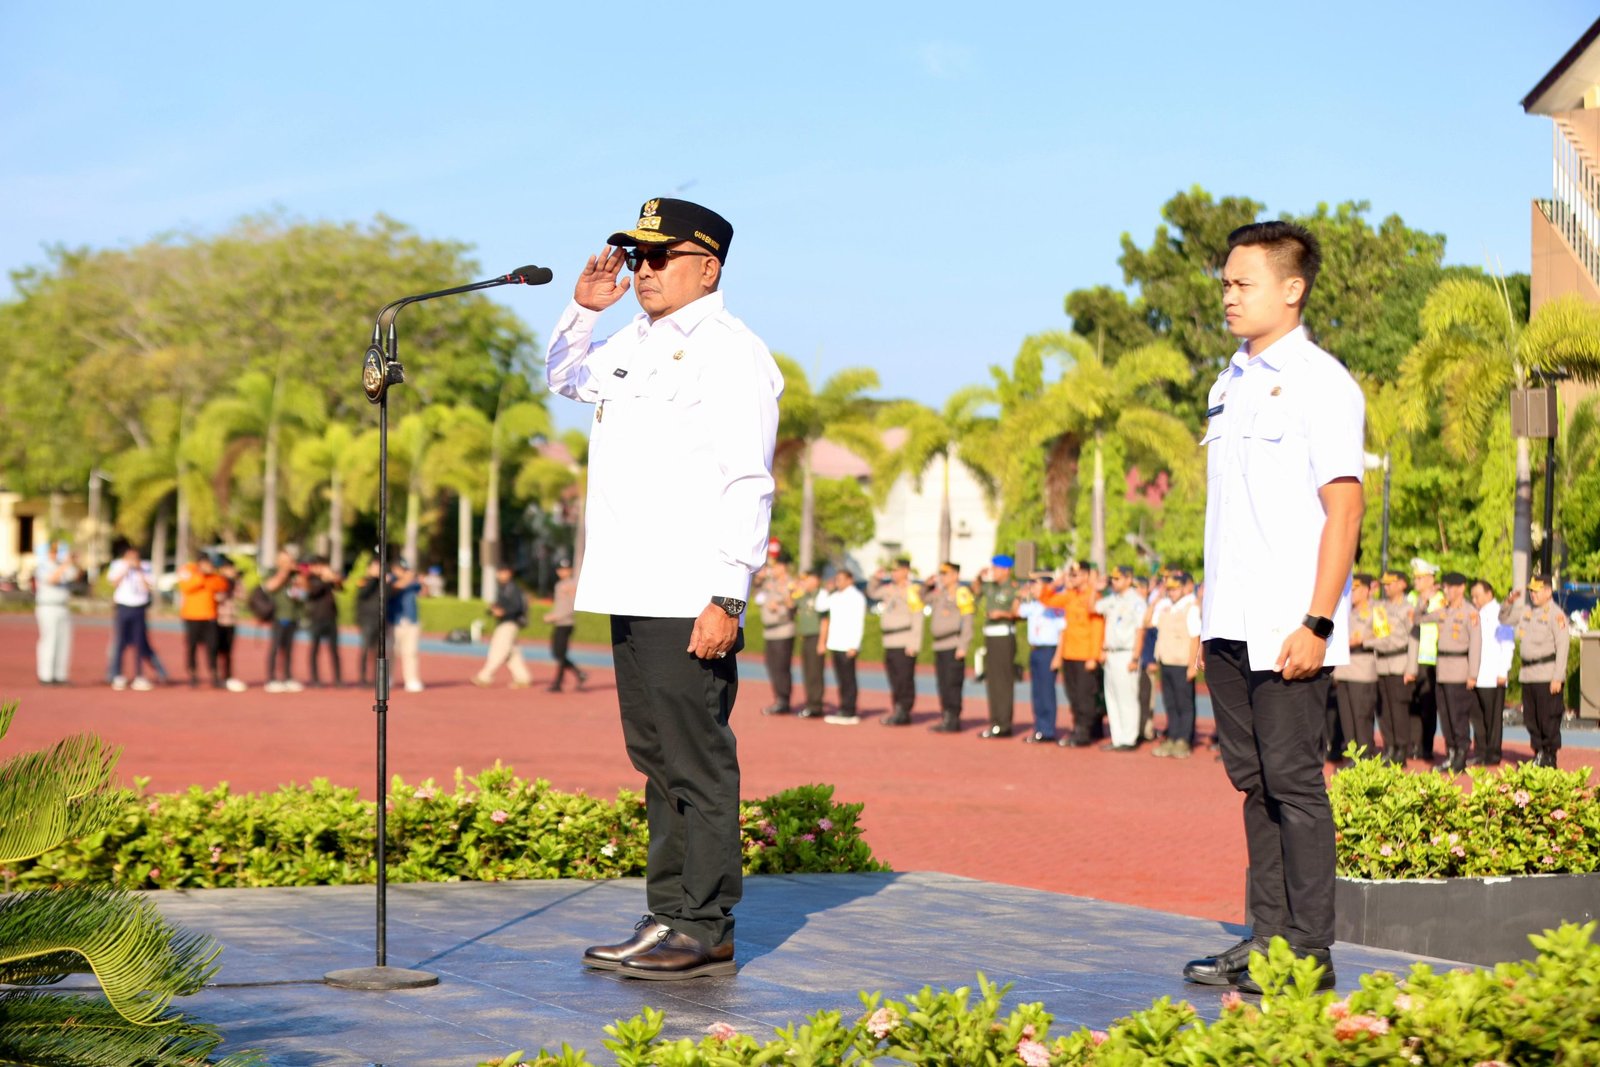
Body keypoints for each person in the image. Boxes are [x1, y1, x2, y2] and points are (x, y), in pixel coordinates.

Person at [549, 197, 781, 981]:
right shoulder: (632, 343)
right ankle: (668, 912)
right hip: (631, 580)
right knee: (655, 756)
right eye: (635, 256)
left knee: (697, 758)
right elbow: (565, 380)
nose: (641, 271)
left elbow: (749, 477)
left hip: (690, 588)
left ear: (707, 266)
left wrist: (729, 594)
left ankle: (705, 920)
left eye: (658, 257)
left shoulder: (730, 351)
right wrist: (582, 312)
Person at [1183, 221, 1364, 995]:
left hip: (1290, 626)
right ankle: (1265, 937)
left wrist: (1318, 621)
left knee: (1294, 783)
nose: (1227, 295)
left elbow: (1345, 508)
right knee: (1253, 783)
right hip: (1229, 621)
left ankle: (1309, 953)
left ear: (1291, 289)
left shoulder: (1324, 383)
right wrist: (1204, 619)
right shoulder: (1229, 382)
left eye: (1242, 282)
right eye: (1224, 282)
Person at [1413, 572, 1480, 773]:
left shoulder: (1470, 613)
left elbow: (1476, 645)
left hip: (1459, 670)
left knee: (1458, 716)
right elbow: (1418, 620)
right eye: (1445, 587)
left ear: (1461, 588)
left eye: (1451, 587)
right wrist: (1423, 601)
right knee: (1446, 716)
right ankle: (1451, 753)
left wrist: (1473, 674)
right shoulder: (1443, 611)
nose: (1447, 591)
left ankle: (1461, 754)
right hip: (1442, 670)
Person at [1501, 574, 1570, 767]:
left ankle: (1549, 755)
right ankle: (1538, 752)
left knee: (1548, 717)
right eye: (1531, 590)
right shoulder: (1527, 611)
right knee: (1531, 718)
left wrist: (1558, 677)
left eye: (1536, 590)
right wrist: (1509, 601)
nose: (1532, 594)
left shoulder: (1555, 615)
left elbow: (1563, 646)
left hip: (1546, 675)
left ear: (1548, 592)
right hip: (1528, 675)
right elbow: (1504, 618)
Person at [1048, 562, 1105, 747]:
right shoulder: (1070, 595)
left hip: (1085, 654)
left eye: (1077, 575)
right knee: (1072, 694)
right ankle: (1079, 727)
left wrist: (1093, 656)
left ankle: (1084, 732)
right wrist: (1056, 583)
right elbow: (1046, 599)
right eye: (1071, 575)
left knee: (1084, 696)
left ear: (1087, 576)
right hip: (1069, 653)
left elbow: (1097, 628)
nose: (1073, 578)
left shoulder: (1093, 596)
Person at [869, 557, 924, 726]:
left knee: (904, 679)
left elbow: (918, 618)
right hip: (890, 640)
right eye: (892, 570)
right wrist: (875, 578)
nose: (893, 573)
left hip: (904, 640)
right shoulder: (889, 589)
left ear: (906, 571)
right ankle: (897, 708)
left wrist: (914, 643)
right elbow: (872, 593)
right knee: (893, 678)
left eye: (897, 570)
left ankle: (904, 710)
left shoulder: (912, 591)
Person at [1151, 573, 1201, 758]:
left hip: (1182, 663)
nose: (1171, 593)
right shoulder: (1165, 607)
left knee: (1184, 703)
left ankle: (1184, 739)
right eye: (1169, 589)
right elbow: (1149, 621)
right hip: (1166, 661)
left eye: (1175, 589)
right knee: (1170, 703)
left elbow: (1195, 637)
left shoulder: (1190, 608)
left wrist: (1192, 665)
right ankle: (1172, 736)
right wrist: (1157, 598)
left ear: (1183, 588)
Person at [1097, 565, 1146, 751]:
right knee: (1112, 698)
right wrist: (1097, 588)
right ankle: (1117, 738)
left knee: (1127, 697)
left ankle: (1129, 738)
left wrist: (1135, 657)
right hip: (1111, 652)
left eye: (1118, 579)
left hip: (1127, 653)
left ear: (1128, 579)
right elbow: (1093, 606)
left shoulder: (1136, 601)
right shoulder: (1112, 599)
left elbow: (1140, 630)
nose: (1114, 582)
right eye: (1113, 579)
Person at [1331, 573, 1380, 759]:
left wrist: (1363, 640)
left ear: (1368, 590)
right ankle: (1352, 757)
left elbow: (1386, 639)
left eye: (1356, 589)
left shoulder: (1377, 611)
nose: (1353, 592)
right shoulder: (1345, 611)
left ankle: (1366, 757)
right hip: (1343, 670)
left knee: (1362, 717)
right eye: (1351, 588)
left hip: (1362, 669)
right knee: (1347, 719)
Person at [974, 555, 1022, 739]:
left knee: (1002, 681)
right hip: (991, 636)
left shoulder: (1013, 588)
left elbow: (1019, 613)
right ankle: (996, 721)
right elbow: (975, 591)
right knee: (993, 681)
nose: (993, 572)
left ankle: (1003, 723)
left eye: (996, 569)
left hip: (1004, 634)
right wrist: (979, 576)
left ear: (1005, 570)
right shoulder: (991, 586)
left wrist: (1002, 613)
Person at [1017, 573, 1067, 743]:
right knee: (1037, 692)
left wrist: (1058, 656)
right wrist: (1021, 595)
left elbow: (1063, 632)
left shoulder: (1054, 604)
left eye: (1036, 584)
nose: (1033, 587)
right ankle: (1039, 726)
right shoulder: (1034, 604)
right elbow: (1017, 611)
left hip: (1049, 651)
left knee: (1046, 691)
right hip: (1036, 650)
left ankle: (1047, 730)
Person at [1372, 570, 1414, 764]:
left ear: (1402, 584)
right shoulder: (1380, 607)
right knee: (1385, 710)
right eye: (1385, 584)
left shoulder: (1408, 608)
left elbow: (1414, 639)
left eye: (1390, 583)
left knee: (1399, 710)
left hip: (1400, 662)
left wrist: (1411, 667)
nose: (1386, 587)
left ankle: (1402, 749)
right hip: (1381, 663)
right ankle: (1389, 746)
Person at [1470, 578, 1513, 766]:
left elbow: (1507, 643)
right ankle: (1480, 751)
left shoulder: (1500, 614)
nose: (1474, 600)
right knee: (1477, 717)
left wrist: (1504, 670)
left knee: (1493, 718)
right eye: (1472, 596)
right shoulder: (1475, 614)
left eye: (1477, 596)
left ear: (1489, 594)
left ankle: (1493, 753)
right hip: (1476, 674)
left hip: (1493, 674)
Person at [818, 568, 867, 725]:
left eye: (840, 579)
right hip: (835, 643)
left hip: (847, 644)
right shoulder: (835, 596)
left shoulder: (857, 597)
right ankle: (843, 708)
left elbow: (859, 623)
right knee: (840, 678)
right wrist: (826, 589)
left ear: (850, 580)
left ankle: (849, 710)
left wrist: (855, 645)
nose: (837, 581)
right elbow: (820, 606)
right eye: (836, 579)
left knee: (848, 679)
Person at [1407, 558, 1444, 760]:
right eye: (1416, 578)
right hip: (1412, 657)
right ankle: (1414, 744)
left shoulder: (1440, 598)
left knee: (1428, 706)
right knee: (1412, 704)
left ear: (1431, 579)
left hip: (1431, 657)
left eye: (1421, 578)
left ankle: (1426, 746)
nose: (1417, 582)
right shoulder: (1412, 597)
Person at [474, 562, 532, 688]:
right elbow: (498, 606)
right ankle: (523, 678)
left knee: (498, 650)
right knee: (512, 653)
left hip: (510, 622)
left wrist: (503, 612)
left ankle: (485, 676)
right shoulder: (502, 588)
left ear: (510, 573)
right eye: (499, 572)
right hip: (504, 622)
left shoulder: (513, 588)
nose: (501, 574)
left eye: (504, 572)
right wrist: (492, 610)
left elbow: (518, 607)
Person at [107, 546, 156, 691]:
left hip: (139, 608)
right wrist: (126, 568)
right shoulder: (118, 565)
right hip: (123, 607)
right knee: (120, 642)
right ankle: (117, 675)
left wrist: (139, 570)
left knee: (139, 642)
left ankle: (139, 676)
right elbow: (114, 583)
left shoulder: (146, 567)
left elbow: (149, 586)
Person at [176, 552, 227, 688]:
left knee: (212, 646)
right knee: (192, 646)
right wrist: (200, 575)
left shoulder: (213, 575)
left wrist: (208, 575)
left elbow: (221, 585)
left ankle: (214, 674)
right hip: (192, 616)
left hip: (209, 616)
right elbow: (185, 587)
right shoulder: (188, 571)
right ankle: (193, 674)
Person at [755, 558, 798, 715]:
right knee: (772, 665)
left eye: (777, 566)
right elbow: (756, 590)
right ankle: (778, 697)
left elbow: (794, 605)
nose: (774, 569)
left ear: (784, 567)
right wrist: (760, 576)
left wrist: (778, 606)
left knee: (781, 667)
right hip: (770, 631)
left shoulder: (790, 584)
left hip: (783, 630)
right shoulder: (770, 582)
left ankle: (783, 700)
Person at [34, 540, 78, 685]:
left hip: (63, 607)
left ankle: (60, 675)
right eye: (53, 551)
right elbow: (52, 579)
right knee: (49, 640)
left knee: (64, 642)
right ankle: (46, 675)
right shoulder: (43, 566)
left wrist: (72, 561)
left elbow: (76, 575)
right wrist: (65, 565)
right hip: (48, 607)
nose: (56, 554)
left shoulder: (62, 566)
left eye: (58, 551)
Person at [263, 550, 304, 694]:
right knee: (275, 648)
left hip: (293, 616)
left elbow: (304, 591)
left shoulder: (295, 576)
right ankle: (271, 679)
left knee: (289, 650)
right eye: (285, 560)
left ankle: (287, 677)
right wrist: (284, 572)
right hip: (279, 617)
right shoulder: (273, 572)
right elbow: (270, 586)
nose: (288, 563)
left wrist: (299, 575)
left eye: (290, 560)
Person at [545, 559, 586, 692]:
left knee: (560, 653)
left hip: (566, 623)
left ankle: (560, 681)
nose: (562, 572)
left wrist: (556, 616)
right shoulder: (559, 584)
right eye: (560, 569)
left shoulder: (572, 584)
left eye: (565, 569)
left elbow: (572, 606)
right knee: (558, 653)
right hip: (559, 623)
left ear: (570, 570)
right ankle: (577, 674)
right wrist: (552, 615)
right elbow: (559, 606)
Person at [793, 568, 828, 719]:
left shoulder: (821, 595)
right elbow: (790, 604)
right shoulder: (804, 596)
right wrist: (795, 589)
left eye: (807, 579)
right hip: (806, 638)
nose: (805, 582)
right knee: (807, 672)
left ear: (816, 580)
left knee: (815, 673)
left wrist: (822, 642)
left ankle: (816, 705)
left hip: (816, 637)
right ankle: (810, 703)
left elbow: (825, 620)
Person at [304, 557, 344, 687]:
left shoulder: (327, 580)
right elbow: (314, 592)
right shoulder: (311, 579)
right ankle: (315, 679)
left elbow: (340, 588)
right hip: (316, 618)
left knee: (334, 650)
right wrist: (326, 580)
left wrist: (335, 579)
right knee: (315, 649)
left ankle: (338, 679)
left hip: (331, 618)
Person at [387, 557, 424, 694]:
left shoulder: (412, 582)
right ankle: (388, 678)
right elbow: (394, 589)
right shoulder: (390, 579)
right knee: (390, 651)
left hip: (411, 621)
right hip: (393, 620)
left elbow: (424, 591)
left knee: (411, 652)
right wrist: (408, 578)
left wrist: (421, 580)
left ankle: (412, 679)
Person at [215, 557, 248, 692]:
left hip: (231, 621)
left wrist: (236, 583)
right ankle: (215, 676)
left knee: (228, 651)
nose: (231, 571)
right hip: (217, 621)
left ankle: (228, 676)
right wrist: (226, 587)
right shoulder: (218, 581)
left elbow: (243, 597)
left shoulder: (236, 582)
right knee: (215, 650)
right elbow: (216, 597)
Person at [355, 559, 384, 687]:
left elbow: (388, 595)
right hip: (367, 620)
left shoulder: (383, 583)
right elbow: (363, 594)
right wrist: (373, 578)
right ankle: (363, 677)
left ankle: (376, 678)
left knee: (379, 652)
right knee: (365, 649)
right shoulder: (364, 581)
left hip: (380, 621)